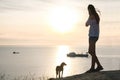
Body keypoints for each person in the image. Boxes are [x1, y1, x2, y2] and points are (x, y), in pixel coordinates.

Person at [85, 4, 103, 73]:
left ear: (90, 9)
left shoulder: (91, 16)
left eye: (88, 10)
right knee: (93, 52)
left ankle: (98, 65)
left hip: (92, 36)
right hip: (94, 36)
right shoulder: (96, 16)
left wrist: (89, 18)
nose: (88, 11)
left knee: (90, 51)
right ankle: (93, 67)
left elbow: (86, 24)